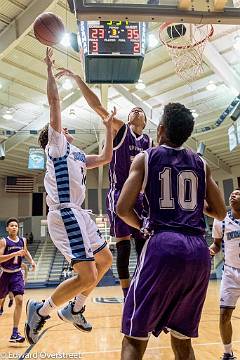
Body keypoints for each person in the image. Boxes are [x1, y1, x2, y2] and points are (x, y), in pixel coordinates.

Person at [116, 102, 227, 360]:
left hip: (163, 245)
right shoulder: (201, 163)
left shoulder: (146, 158)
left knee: (134, 338)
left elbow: (123, 208)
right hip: (198, 252)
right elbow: (220, 212)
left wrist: (142, 225)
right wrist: (197, 206)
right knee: (183, 340)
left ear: (162, 130)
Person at [25, 48, 113, 345]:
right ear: (54, 135)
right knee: (87, 276)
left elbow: (104, 158)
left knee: (106, 260)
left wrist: (108, 126)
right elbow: (54, 101)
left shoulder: (75, 153)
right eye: (59, 127)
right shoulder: (57, 145)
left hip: (79, 213)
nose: (64, 126)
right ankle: (41, 310)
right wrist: (49, 69)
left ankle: (76, 308)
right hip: (64, 213)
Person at [55, 67, 152, 299]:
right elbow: (97, 106)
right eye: (133, 110)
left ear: (145, 121)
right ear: (128, 120)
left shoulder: (149, 141)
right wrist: (78, 79)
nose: (136, 110)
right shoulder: (122, 131)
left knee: (143, 244)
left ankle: (142, 288)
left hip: (141, 197)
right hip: (119, 194)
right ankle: (127, 294)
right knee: (124, 246)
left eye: (141, 110)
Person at [210, 188, 240, 360]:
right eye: (231, 194)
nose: (232, 195)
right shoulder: (220, 220)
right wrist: (209, 251)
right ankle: (228, 353)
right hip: (230, 273)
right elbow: (216, 245)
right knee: (224, 315)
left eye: (237, 193)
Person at [0, 217, 36, 343]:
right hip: (5, 274)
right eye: (11, 225)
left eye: (15, 225)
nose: (14, 227)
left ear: (18, 227)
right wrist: (13, 254)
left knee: (19, 301)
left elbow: (25, 252)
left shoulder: (23, 240)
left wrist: (31, 261)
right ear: (7, 228)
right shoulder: (4, 241)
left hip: (16, 274)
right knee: (1, 299)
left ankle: (15, 333)